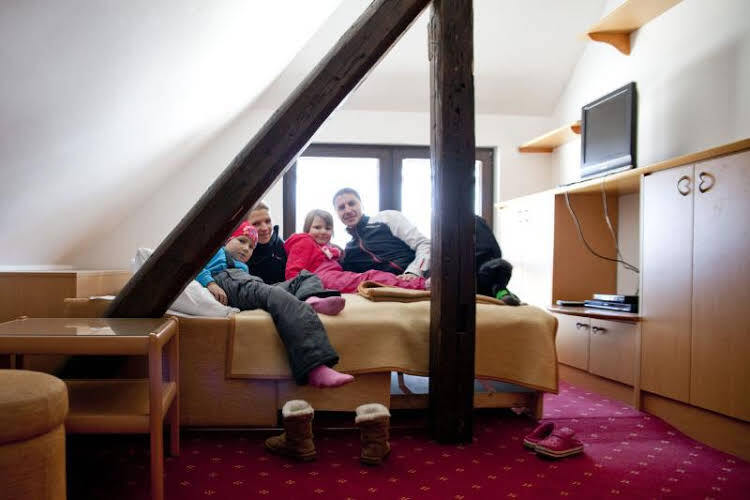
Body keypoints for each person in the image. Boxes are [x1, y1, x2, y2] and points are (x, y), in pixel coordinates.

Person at [196, 221, 353, 388]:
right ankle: (315, 367)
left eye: (251, 247)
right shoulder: (217, 252)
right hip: (226, 278)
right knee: (276, 295)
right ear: (228, 240)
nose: (246, 249)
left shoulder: (244, 267)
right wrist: (210, 283)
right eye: (241, 241)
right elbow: (195, 266)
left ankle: (311, 299)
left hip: (248, 282)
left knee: (305, 276)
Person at [285, 209, 429, 293]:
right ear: (307, 229)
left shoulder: (332, 249)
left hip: (330, 277)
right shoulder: (304, 242)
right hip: (318, 279)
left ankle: (416, 283)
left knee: (367, 277)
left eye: (328, 228)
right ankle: (422, 285)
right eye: (317, 227)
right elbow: (293, 272)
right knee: (368, 278)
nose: (323, 231)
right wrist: (303, 290)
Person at [332, 188, 430, 280]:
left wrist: (413, 272)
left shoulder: (388, 217)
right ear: (337, 213)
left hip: (417, 282)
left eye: (352, 204)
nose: (348, 210)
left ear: (361, 205)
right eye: (341, 208)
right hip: (383, 289)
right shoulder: (349, 250)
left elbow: (424, 244)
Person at [245, 202, 287, 284]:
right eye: (256, 224)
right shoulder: (238, 252)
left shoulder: (282, 246)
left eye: (268, 221)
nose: (264, 228)